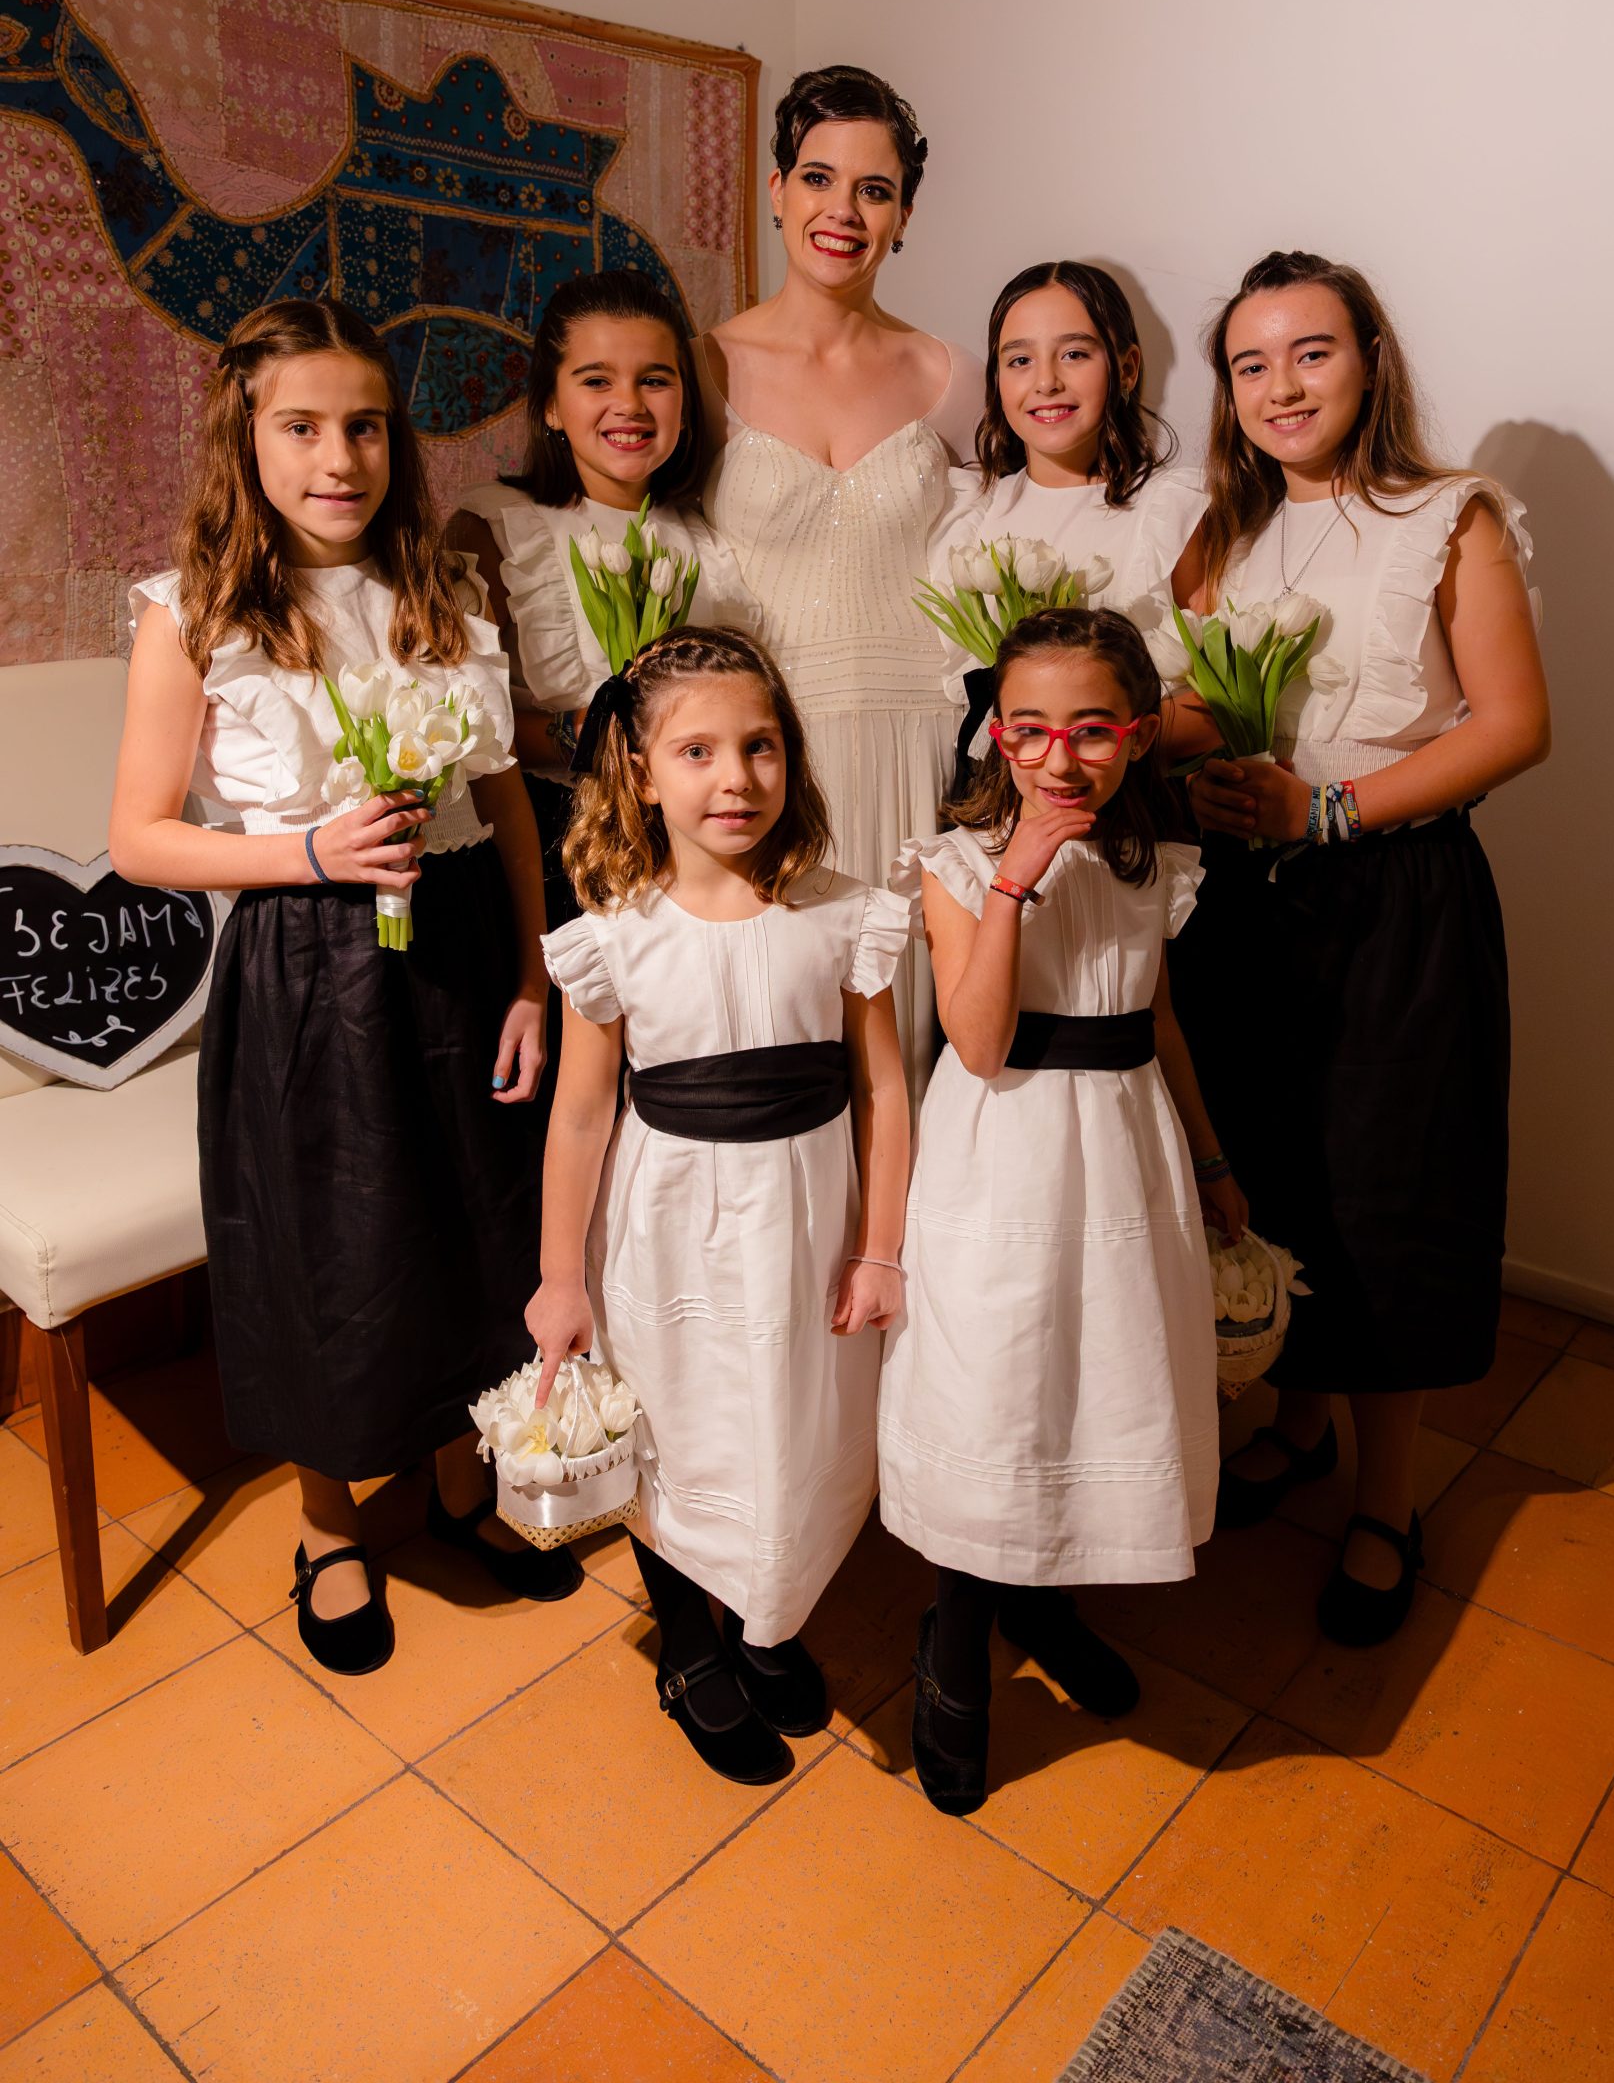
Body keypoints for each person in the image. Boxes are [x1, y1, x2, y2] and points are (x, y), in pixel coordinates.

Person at [109, 299, 570, 1680]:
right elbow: (140, 839)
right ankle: (326, 1522)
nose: (338, 457)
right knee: (328, 1243)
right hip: (305, 959)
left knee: (475, 1211)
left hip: (462, 935)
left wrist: (533, 975)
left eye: (364, 426)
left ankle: (461, 1476)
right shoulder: (191, 614)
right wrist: (306, 852)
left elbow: (504, 801)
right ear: (244, 439)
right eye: (301, 427)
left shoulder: (447, 593)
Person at [1167, 249, 1549, 1648]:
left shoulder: (1451, 517)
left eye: (1309, 352)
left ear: (1369, 360)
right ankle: (1297, 1419)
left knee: (1386, 1193)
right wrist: (1183, 768)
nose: (1280, 386)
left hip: (1395, 900)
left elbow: (1512, 723)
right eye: (1249, 363)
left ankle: (1388, 1499)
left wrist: (1319, 809)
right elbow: (1197, 707)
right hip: (1245, 906)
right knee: (1272, 1177)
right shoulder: (1219, 537)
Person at [526, 627, 912, 1786]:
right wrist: (560, 1277)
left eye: (760, 745)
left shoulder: (843, 914)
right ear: (641, 772)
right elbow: (581, 1117)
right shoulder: (615, 934)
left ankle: (766, 1617)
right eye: (697, 751)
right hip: (669, 1233)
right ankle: (690, 1646)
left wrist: (881, 1249)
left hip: (809, 1229)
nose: (735, 777)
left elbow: (884, 1089)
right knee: (682, 1428)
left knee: (794, 1426)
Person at [879, 608, 1243, 1816]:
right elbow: (979, 1044)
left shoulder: (1153, 860)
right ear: (996, 733)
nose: (1058, 758)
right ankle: (955, 1638)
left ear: (1137, 736)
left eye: (1091, 730)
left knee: (1091, 1376)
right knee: (1002, 1386)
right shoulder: (956, 862)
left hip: (1123, 1148)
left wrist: (1210, 1157)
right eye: (1029, 729)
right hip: (1006, 1155)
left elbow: (1162, 1018)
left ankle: (1042, 1599)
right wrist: (1014, 882)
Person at [699, 65, 982, 1089]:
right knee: (776, 1041)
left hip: (923, 754)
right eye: (819, 179)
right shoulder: (701, 367)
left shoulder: (952, 377)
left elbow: (1017, 546)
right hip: (770, 759)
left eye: (874, 190)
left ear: (904, 215)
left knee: (907, 1052)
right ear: (777, 190)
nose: (843, 212)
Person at [450, 269, 757, 929]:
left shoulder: (710, 543)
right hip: (553, 852)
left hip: (702, 855)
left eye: (655, 380)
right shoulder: (497, 529)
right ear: (550, 405)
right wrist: (591, 735)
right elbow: (465, 731)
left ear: (684, 403)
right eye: (596, 381)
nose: (630, 405)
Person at [926, 259, 1205, 781]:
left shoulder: (1171, 510)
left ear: (1127, 368)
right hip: (994, 802)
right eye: (1020, 360)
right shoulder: (971, 515)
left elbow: (1217, 701)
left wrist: (1087, 750)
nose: (1046, 382)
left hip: (1128, 799)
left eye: (1074, 354)